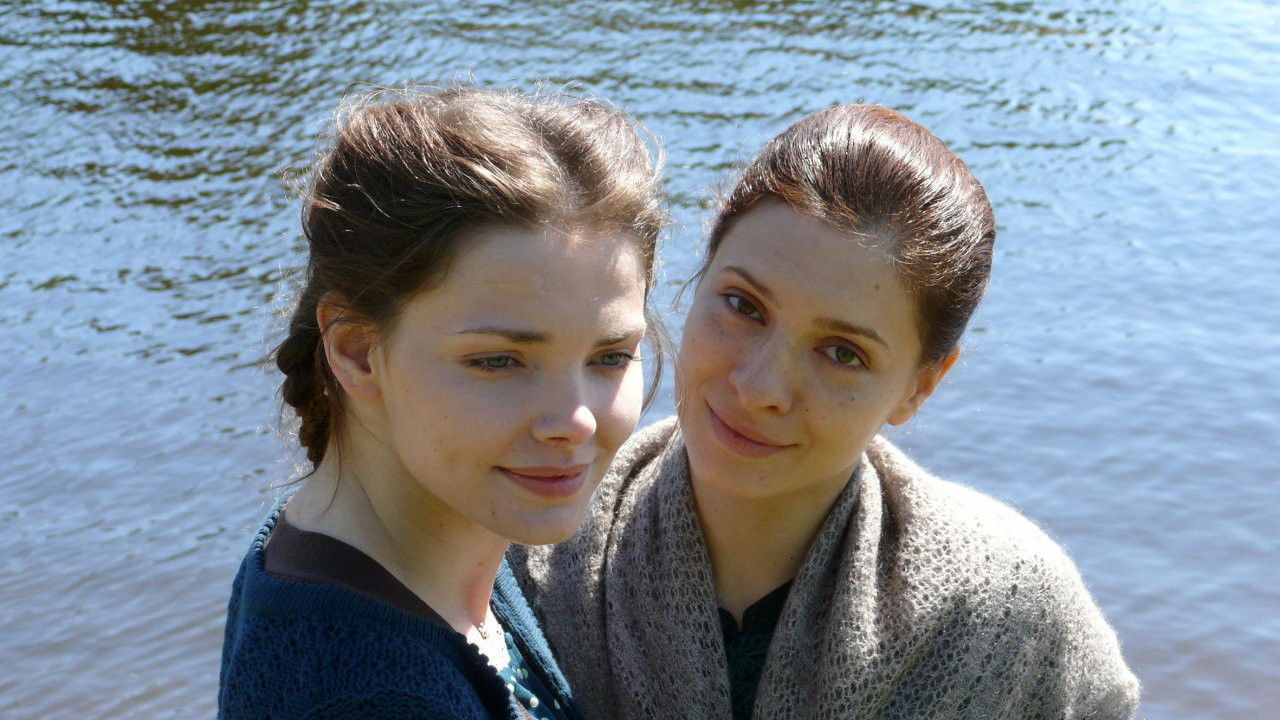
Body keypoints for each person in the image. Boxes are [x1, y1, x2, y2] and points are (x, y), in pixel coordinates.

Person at [511, 105, 1140, 719]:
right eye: (744, 306)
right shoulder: (526, 550)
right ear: (701, 275)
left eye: (842, 353)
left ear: (919, 386)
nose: (760, 388)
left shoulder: (1012, 617)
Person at [218, 85, 667, 719]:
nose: (574, 421)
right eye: (498, 361)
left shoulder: (413, 536)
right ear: (356, 350)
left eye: (611, 357)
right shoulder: (373, 697)